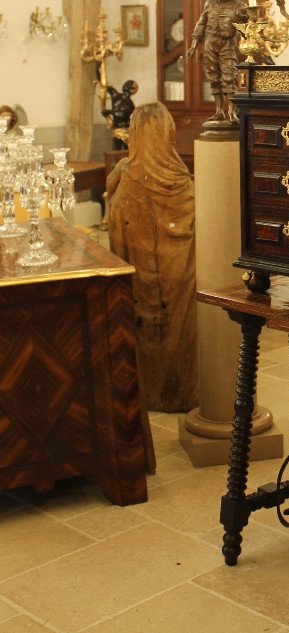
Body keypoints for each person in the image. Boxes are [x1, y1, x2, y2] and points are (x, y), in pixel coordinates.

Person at [107, 103, 198, 417]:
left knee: (153, 335)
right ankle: (183, 392)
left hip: (141, 291)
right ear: (169, 135)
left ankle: (157, 393)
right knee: (182, 330)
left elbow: (116, 242)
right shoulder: (184, 184)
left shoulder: (126, 183)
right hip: (181, 282)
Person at [187, 0, 249, 124]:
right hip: (209, 42)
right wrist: (194, 45)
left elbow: (247, 30)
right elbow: (201, 24)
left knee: (229, 76)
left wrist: (247, 23)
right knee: (213, 76)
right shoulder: (211, 2)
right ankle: (218, 111)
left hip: (227, 44)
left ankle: (231, 111)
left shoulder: (240, 7)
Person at [100, 78, 138, 148]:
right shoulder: (116, 95)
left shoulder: (130, 105)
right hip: (117, 129)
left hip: (126, 131)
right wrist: (101, 71)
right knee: (117, 150)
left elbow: (122, 114)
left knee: (125, 151)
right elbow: (104, 84)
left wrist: (108, 112)